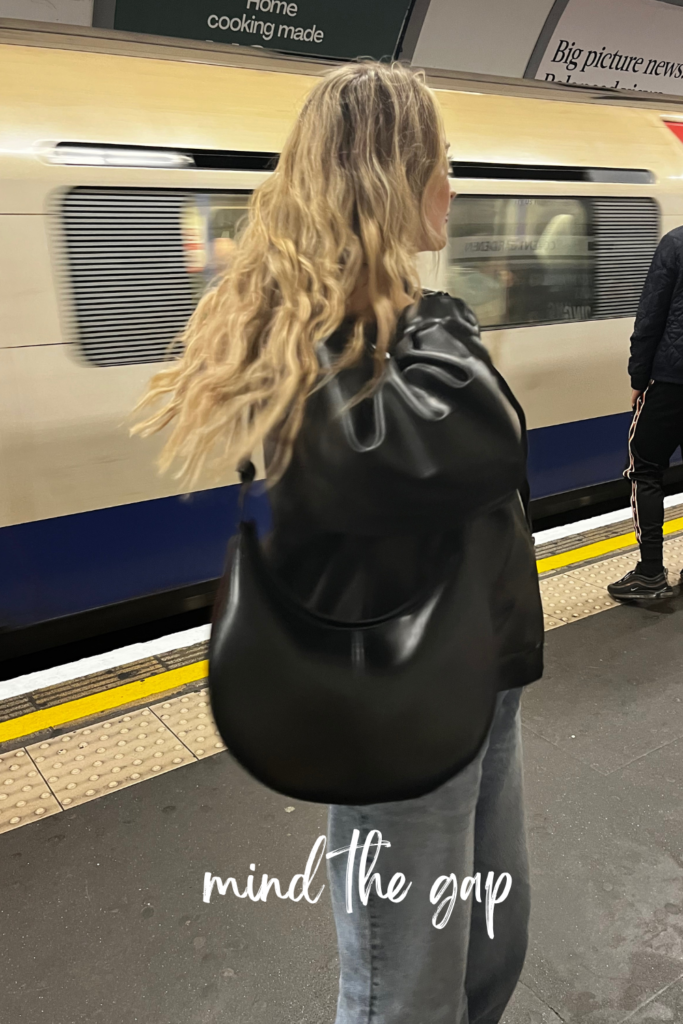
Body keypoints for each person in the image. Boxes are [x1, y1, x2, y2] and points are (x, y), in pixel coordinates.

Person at [134, 62, 543, 1024]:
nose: (452, 180)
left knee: (489, 950)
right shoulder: (306, 323)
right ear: (387, 176)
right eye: (441, 160)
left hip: (473, 668)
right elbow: (460, 445)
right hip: (389, 694)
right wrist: (442, 317)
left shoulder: (385, 319)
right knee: (403, 988)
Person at [608, 226, 683, 601]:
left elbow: (650, 315)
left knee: (644, 467)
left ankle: (650, 571)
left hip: (672, 381)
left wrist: (639, 376)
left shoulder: (676, 243)